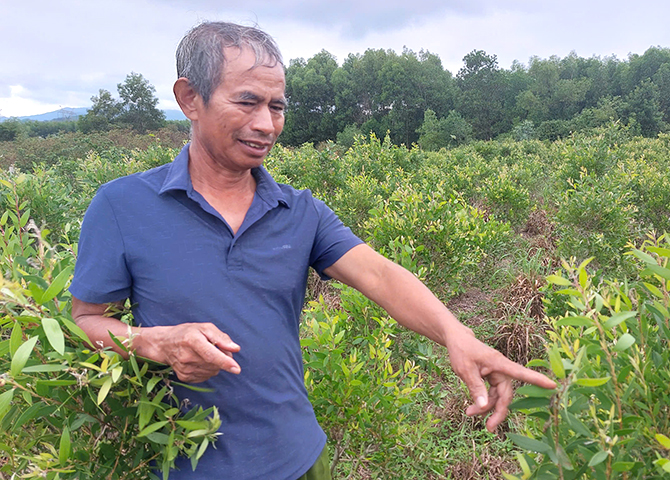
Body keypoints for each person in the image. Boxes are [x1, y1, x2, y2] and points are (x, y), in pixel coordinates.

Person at [70, 21, 556, 480]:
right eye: (246, 101)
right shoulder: (121, 206)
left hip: (300, 456)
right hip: (183, 465)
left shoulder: (300, 211)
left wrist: (456, 334)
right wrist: (156, 343)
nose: (266, 124)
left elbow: (381, 276)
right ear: (189, 98)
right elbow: (87, 320)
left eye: (277, 106)